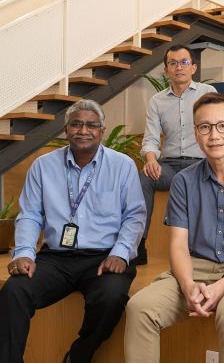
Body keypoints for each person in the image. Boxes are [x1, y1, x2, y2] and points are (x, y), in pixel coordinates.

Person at [124, 92, 224, 363]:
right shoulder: (183, 181)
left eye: (223, 126)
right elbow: (177, 245)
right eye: (205, 127)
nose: (214, 135)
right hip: (194, 266)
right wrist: (189, 285)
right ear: (196, 133)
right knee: (140, 307)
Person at [0, 99, 146, 363]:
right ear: (66, 130)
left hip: (104, 258)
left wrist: (121, 253)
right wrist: (23, 253)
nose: (83, 130)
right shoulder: (43, 166)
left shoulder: (122, 165)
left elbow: (134, 216)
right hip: (56, 258)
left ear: (102, 131)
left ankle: (78, 356)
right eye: (76, 124)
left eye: (92, 125)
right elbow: (30, 215)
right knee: (14, 292)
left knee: (111, 297)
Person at [138, 44, 217, 264]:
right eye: (172, 63)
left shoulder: (208, 93)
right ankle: (138, 245)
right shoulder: (157, 101)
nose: (178, 67)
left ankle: (205, 248)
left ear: (193, 67)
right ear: (166, 70)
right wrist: (151, 159)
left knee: (207, 182)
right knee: (143, 178)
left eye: (183, 62)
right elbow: (151, 138)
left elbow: (216, 130)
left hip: (200, 164)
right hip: (169, 166)